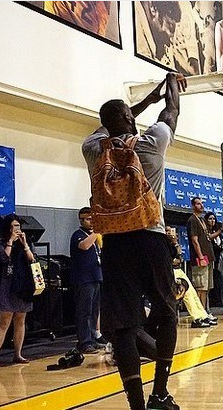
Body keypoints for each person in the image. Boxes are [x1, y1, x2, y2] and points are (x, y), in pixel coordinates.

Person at [82, 71, 187, 410]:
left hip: (114, 243)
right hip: (151, 237)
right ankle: (160, 392)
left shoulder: (92, 150)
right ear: (131, 119)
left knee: (124, 326)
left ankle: (137, 404)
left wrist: (139, 104)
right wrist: (169, 84)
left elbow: (115, 121)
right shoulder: (152, 142)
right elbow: (172, 111)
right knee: (167, 312)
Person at [0, 215, 36, 368]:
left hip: (23, 285)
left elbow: (32, 258)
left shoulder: (26, 242)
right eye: (13, 226)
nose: (16, 229)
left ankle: (17, 353)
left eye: (18, 226)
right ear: (7, 228)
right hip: (7, 285)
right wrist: (11, 241)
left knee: (20, 320)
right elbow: (3, 259)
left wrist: (25, 245)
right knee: (4, 321)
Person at [69, 207, 104, 354]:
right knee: (84, 311)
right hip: (84, 279)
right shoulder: (78, 235)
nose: (91, 222)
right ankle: (84, 342)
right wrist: (97, 231)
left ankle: (92, 338)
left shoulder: (94, 238)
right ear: (81, 220)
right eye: (88, 219)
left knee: (94, 310)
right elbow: (84, 246)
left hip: (95, 276)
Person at [187, 198, 218, 327]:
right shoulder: (192, 220)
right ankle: (198, 316)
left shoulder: (201, 220)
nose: (201, 205)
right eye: (198, 203)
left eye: (202, 203)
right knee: (200, 287)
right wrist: (200, 256)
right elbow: (195, 240)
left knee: (206, 288)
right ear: (193, 206)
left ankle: (204, 313)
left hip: (209, 258)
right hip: (201, 259)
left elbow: (207, 237)